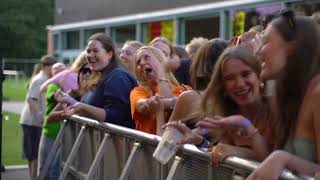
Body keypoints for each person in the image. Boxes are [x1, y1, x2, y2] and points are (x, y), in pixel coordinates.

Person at [164, 46, 271, 164]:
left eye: (246, 74)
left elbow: (279, 159)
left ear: (258, 75)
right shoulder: (228, 111)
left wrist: (244, 125)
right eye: (230, 78)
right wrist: (199, 142)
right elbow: (221, 155)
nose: (239, 83)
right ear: (223, 85)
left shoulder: (275, 107)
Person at [247, 11, 320, 179]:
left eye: (265, 41)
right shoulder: (278, 92)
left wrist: (282, 158)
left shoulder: (317, 93)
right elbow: (266, 156)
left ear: (290, 48)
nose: (258, 52)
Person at [59, 33, 137, 128]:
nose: (90, 55)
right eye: (88, 51)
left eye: (95, 51)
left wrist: (82, 106)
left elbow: (115, 116)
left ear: (109, 54)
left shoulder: (118, 77)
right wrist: (71, 100)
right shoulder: (101, 75)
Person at [37, 56, 82, 180]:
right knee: (46, 166)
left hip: (62, 133)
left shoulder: (68, 87)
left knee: (56, 166)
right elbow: (53, 96)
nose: (60, 74)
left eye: (62, 70)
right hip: (51, 131)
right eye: (56, 71)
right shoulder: (54, 87)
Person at [166, 39, 228, 127]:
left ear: (199, 64)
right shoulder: (239, 97)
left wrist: (159, 111)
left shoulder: (190, 98)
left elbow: (167, 138)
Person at [130, 46, 191, 135]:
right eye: (138, 62)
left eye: (146, 57)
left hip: (175, 146)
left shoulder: (186, 89)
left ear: (160, 60)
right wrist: (174, 102)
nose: (142, 63)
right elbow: (142, 106)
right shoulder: (138, 91)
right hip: (147, 147)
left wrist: (161, 72)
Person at [20, 55, 57, 180]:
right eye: (52, 66)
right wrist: (39, 115)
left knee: (34, 154)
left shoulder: (45, 79)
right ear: (46, 66)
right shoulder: (39, 79)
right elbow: (31, 99)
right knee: (33, 155)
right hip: (32, 122)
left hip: (35, 122)